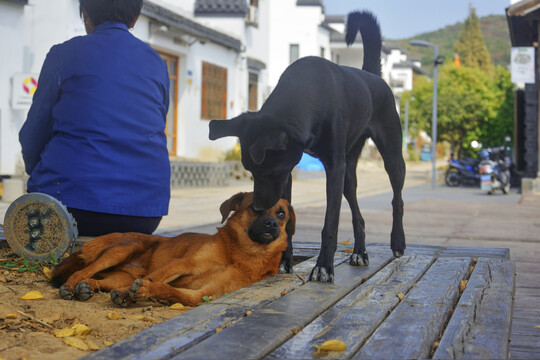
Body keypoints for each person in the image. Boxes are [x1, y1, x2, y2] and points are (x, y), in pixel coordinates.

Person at [19, 0, 171, 236]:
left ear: (86, 14)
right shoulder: (158, 64)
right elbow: (156, 124)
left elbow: (33, 134)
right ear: (136, 18)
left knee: (32, 231)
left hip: (68, 207)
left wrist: (37, 175)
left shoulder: (64, 54)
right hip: (145, 214)